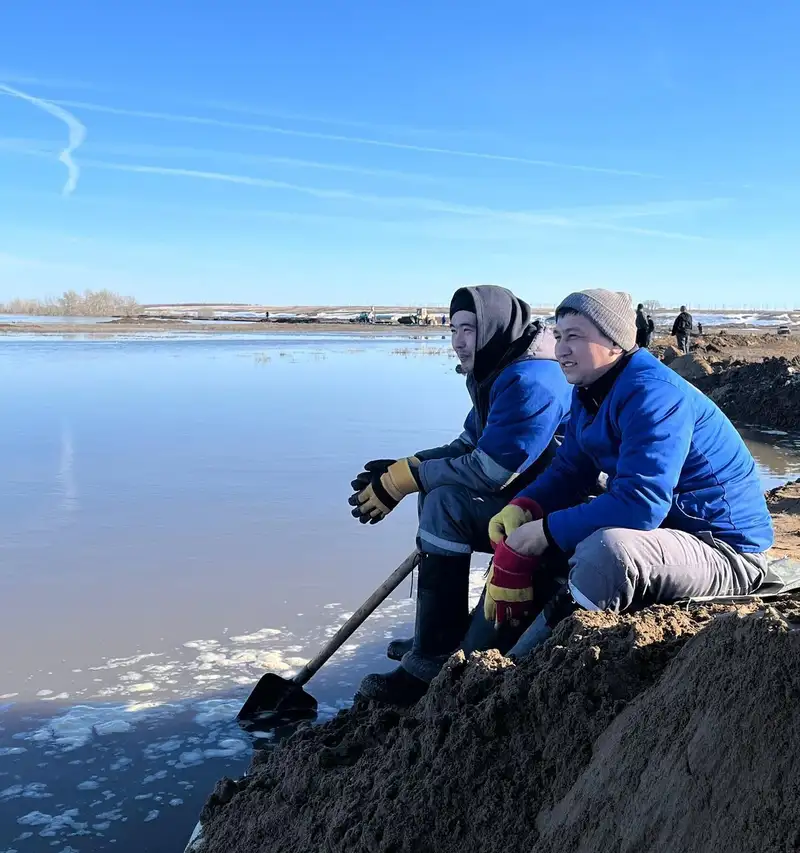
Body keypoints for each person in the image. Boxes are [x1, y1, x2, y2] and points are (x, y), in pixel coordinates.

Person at [464, 288, 773, 660]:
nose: (560, 349)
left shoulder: (653, 394)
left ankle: (525, 666)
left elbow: (640, 506)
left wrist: (543, 532)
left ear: (615, 342)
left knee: (606, 550)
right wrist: (525, 507)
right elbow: (570, 470)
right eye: (559, 336)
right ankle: (470, 656)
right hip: (671, 531)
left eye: (574, 337)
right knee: (547, 534)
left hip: (723, 548)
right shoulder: (590, 391)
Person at [350, 285, 573, 704]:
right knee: (438, 491)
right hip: (532, 499)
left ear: (494, 328)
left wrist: (408, 480)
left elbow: (491, 470)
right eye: (453, 329)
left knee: (445, 501)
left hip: (560, 518)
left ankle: (431, 661)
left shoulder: (532, 381)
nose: (458, 341)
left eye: (469, 329)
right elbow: (468, 444)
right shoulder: (501, 368)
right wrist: (411, 464)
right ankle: (436, 639)